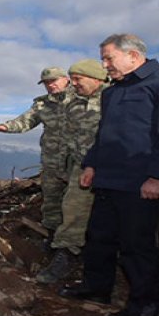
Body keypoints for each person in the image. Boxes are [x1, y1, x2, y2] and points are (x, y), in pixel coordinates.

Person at [58, 34, 159, 316]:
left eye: (109, 58)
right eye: (103, 59)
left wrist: (158, 176)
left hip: (141, 184)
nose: (104, 65)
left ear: (133, 56)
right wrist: (91, 164)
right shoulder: (113, 92)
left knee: (137, 247)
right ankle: (97, 288)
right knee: (99, 238)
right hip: (109, 179)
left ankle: (143, 309)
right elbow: (105, 135)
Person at [0, 67, 78, 250]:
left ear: (66, 79)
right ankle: (51, 238)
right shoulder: (42, 104)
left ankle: (72, 244)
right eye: (46, 83)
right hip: (52, 160)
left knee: (76, 202)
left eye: (54, 80)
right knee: (51, 200)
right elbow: (26, 121)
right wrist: (4, 127)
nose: (50, 85)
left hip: (78, 161)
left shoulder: (82, 98)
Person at [36, 59, 109, 284]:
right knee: (73, 206)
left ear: (95, 78)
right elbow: (66, 137)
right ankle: (66, 253)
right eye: (72, 79)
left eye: (77, 79)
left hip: (115, 166)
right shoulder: (74, 104)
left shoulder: (114, 98)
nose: (74, 84)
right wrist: (64, 166)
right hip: (82, 165)